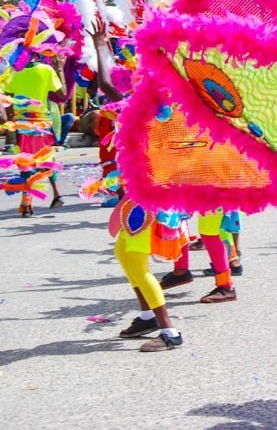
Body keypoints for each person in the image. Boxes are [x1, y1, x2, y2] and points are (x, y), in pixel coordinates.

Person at [91, 19, 187, 351]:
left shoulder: (150, 116)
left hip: (146, 201)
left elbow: (105, 83)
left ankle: (169, 332)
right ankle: (147, 317)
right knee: (125, 255)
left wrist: (102, 47)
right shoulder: (152, 113)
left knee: (135, 262)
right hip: (140, 198)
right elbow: (106, 85)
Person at [1, 55, 65, 214]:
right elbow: (63, 95)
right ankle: (56, 193)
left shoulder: (12, 72)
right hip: (42, 123)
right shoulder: (46, 70)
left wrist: (10, 129)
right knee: (47, 159)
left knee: (25, 162)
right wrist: (60, 69)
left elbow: (8, 103)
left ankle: (26, 202)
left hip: (22, 125)